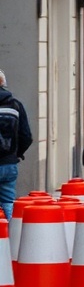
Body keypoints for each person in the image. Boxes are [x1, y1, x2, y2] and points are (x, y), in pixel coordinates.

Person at [0, 69, 33, 222]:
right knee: (8, 203)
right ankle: (10, 240)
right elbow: (26, 136)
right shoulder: (15, 105)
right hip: (9, 164)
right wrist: (15, 154)